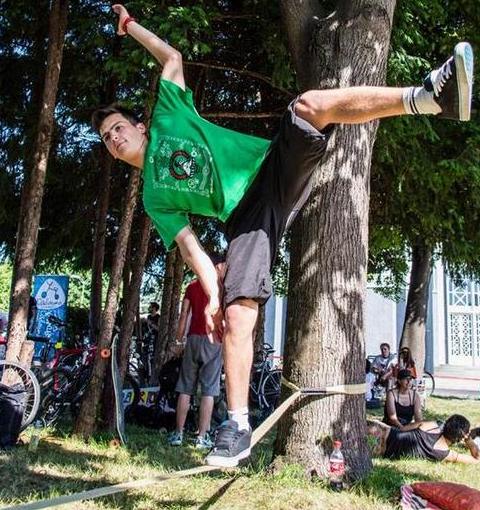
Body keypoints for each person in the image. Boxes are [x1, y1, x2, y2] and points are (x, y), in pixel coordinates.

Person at [92, 3, 474, 467]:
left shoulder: (170, 112)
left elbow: (171, 57)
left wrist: (130, 26)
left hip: (272, 169)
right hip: (248, 217)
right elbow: (191, 249)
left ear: (139, 125)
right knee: (237, 310)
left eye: (117, 127)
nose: (114, 138)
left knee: (309, 105)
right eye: (107, 139)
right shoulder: (155, 198)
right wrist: (212, 294)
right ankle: (237, 426)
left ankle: (428, 97)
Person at [168, 255, 225, 450]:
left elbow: (184, 314)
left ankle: (178, 434)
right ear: (217, 267)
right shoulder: (221, 289)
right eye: (224, 266)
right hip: (213, 340)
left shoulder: (192, 286)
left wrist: (178, 340)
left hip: (192, 339)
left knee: (185, 387)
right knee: (209, 390)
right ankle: (201, 437)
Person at [367, 414, 480, 464]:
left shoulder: (432, 425)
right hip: (381, 450)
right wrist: (469, 441)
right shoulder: (444, 453)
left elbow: (404, 429)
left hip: (383, 431)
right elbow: (476, 459)